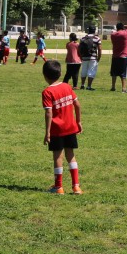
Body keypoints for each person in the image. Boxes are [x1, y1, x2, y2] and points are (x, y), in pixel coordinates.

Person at [41, 59, 83, 195]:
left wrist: (47, 133)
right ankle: (76, 186)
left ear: (44, 75)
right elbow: (77, 104)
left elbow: (49, 112)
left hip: (57, 130)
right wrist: (78, 121)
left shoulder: (47, 92)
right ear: (60, 74)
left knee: (58, 157)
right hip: (71, 127)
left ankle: (58, 187)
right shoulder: (67, 86)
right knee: (71, 155)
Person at [109, 22, 127, 93]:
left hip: (115, 56)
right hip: (124, 56)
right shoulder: (125, 33)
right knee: (123, 73)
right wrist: (125, 25)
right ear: (123, 27)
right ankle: (123, 88)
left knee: (114, 73)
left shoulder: (113, 35)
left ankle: (113, 87)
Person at [78, 26, 102, 91]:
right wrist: (99, 57)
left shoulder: (83, 38)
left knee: (84, 70)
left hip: (84, 57)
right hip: (93, 57)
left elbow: (79, 48)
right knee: (91, 71)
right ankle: (89, 86)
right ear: (94, 31)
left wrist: (80, 56)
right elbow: (99, 49)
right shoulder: (97, 38)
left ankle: (82, 85)